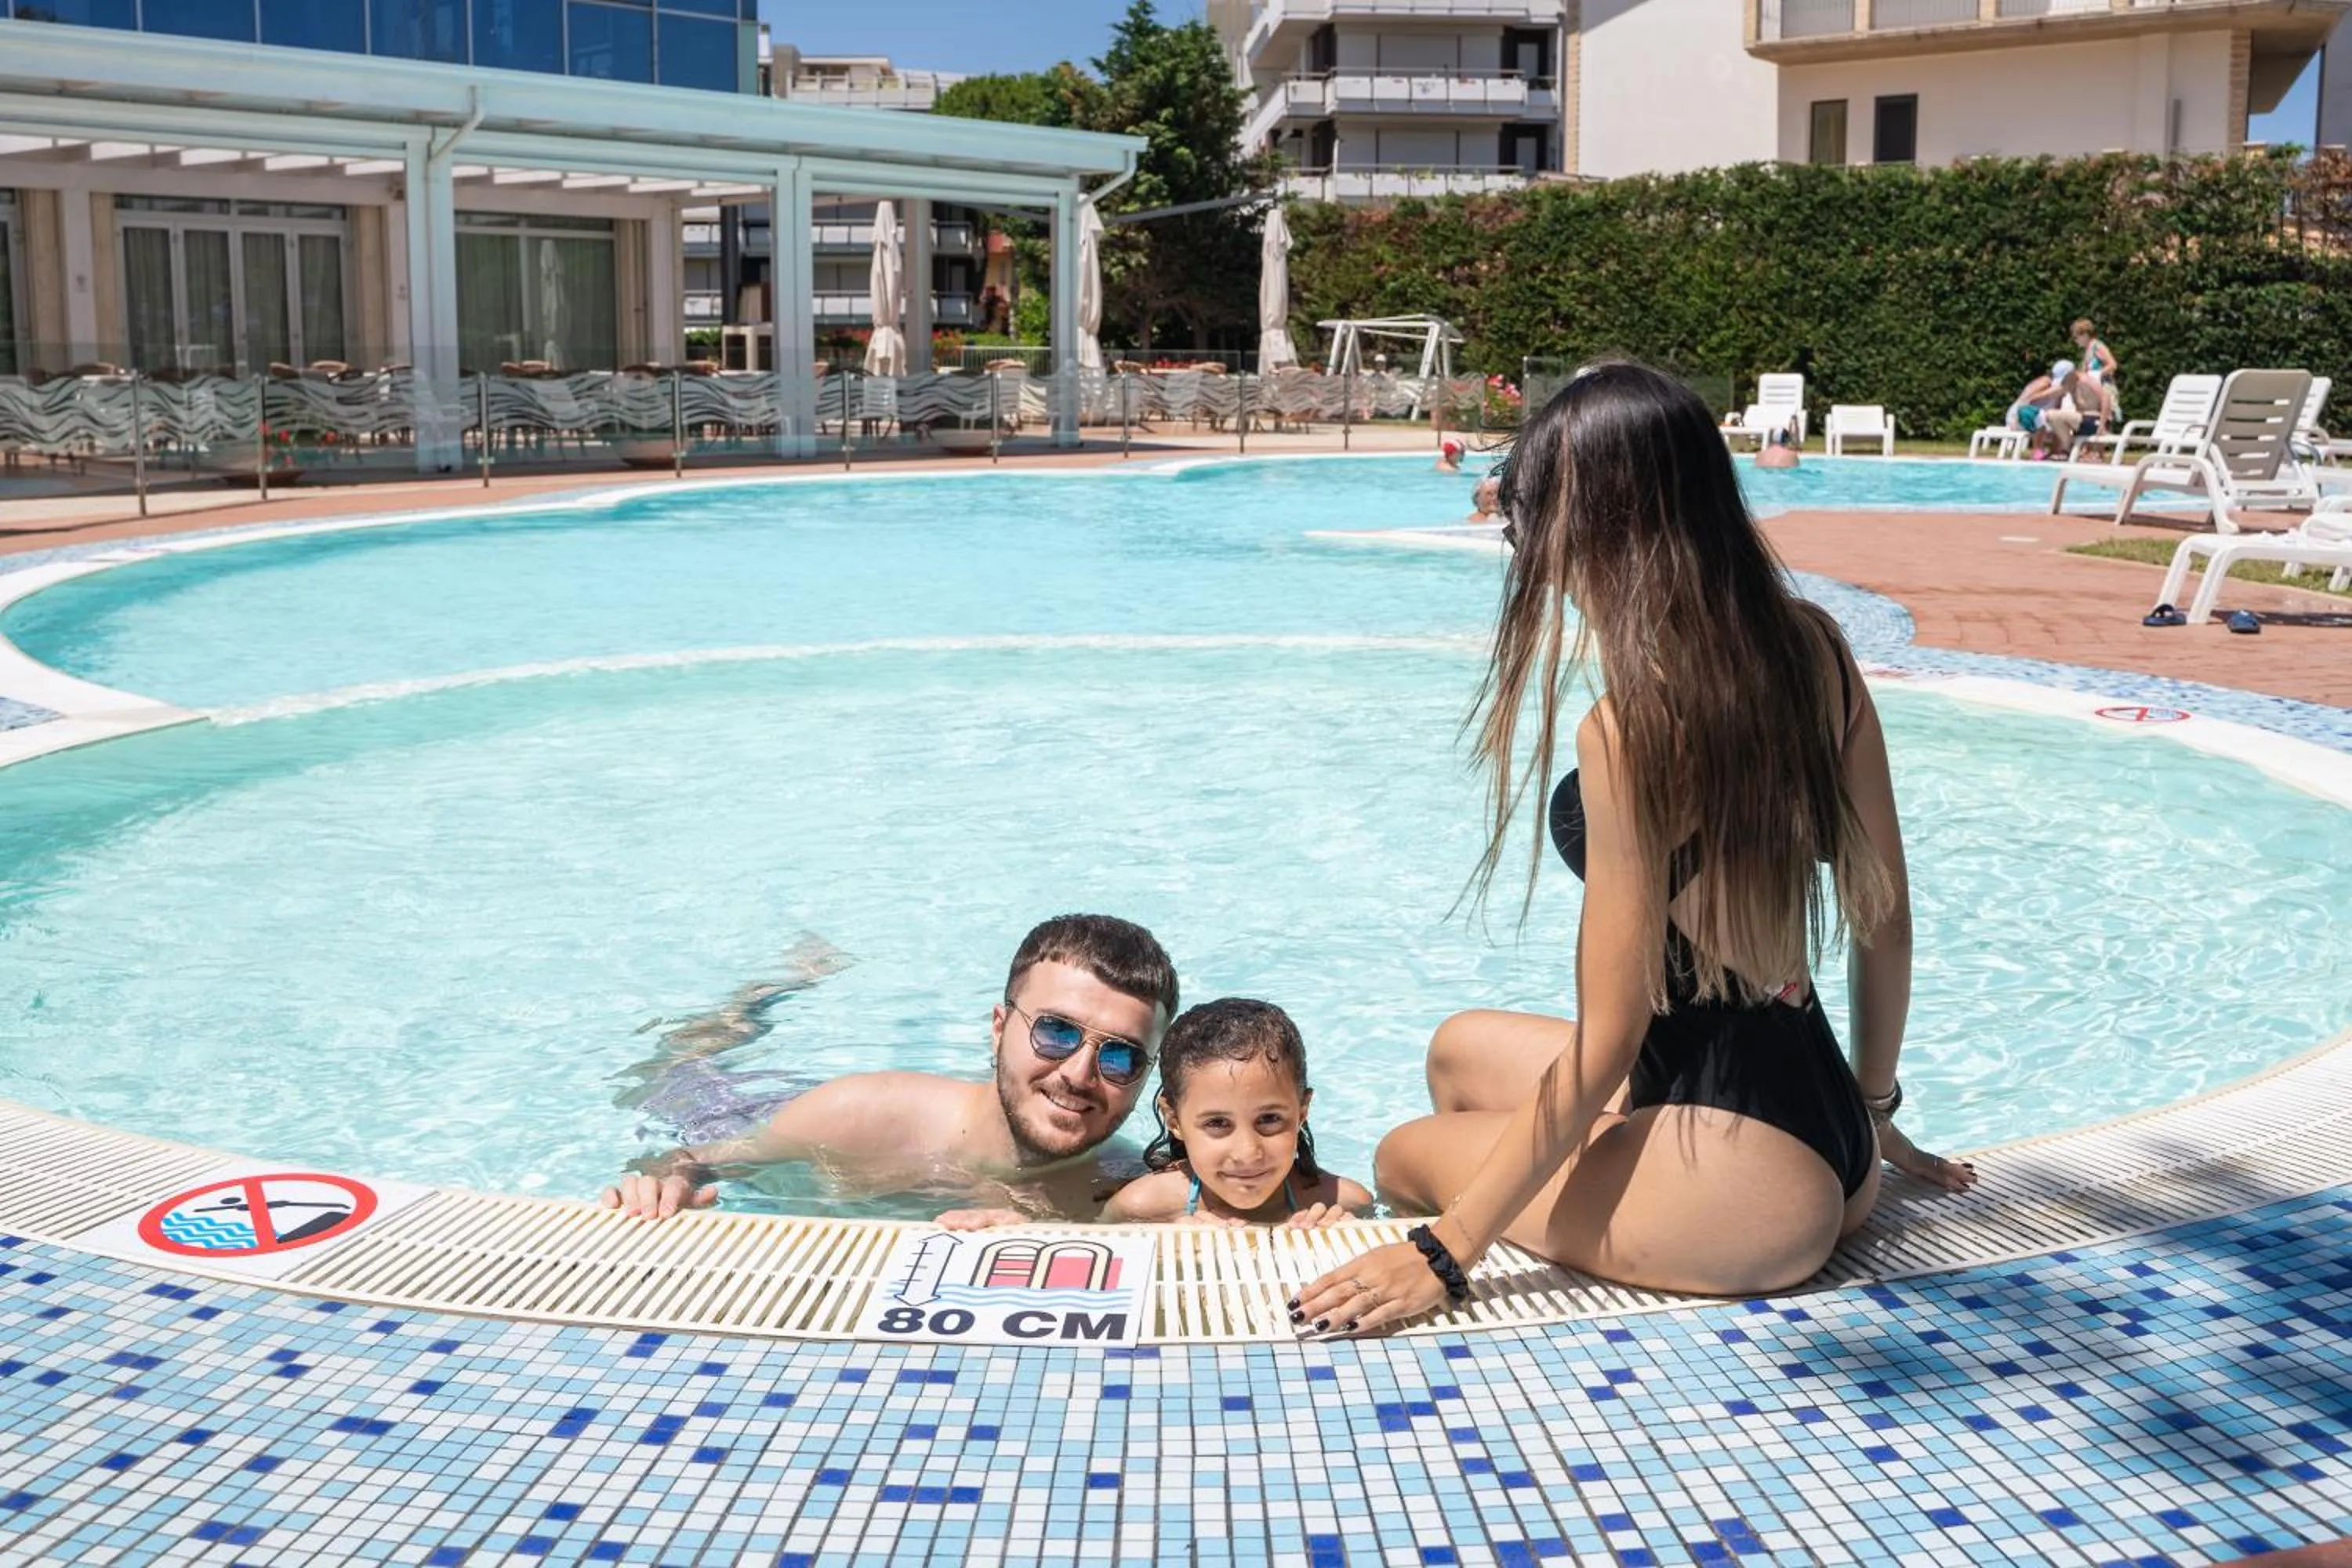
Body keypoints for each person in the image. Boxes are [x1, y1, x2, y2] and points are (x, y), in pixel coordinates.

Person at [1290, 361, 1975, 1338]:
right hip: (1819, 1117)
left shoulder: (1629, 733)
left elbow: (1607, 1034)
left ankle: (1598, 1186)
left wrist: (1445, 1253)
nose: (1530, 549)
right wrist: (1874, 1108)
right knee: (1457, 1052)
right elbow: (1886, 916)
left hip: (1752, 1194)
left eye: (1530, 522)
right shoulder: (1816, 645)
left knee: (1406, 1154)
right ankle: (1631, 1156)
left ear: (1595, 531)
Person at [601, 913, 1178, 1221]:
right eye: (1056, 1031)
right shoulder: (859, 1116)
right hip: (740, 1109)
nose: (1079, 1073)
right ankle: (771, 991)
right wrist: (667, 1183)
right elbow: (696, 1159)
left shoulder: (1123, 1188)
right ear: (999, 1028)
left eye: (1119, 1054)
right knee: (681, 1062)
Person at [1094, 999, 1370, 1228]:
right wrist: (1169, 1256)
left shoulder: (1342, 1203)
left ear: (1302, 1111)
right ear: (1174, 1120)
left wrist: (1344, 1244)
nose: (1247, 1153)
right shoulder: (1142, 1207)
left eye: (1269, 1119)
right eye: (1217, 1123)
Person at [2071, 318, 2118, 399]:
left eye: (2076, 337)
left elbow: (2113, 365)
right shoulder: (2087, 351)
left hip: (2105, 389)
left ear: (2085, 334)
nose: (2075, 340)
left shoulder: (2097, 346)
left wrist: (2095, 374)